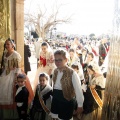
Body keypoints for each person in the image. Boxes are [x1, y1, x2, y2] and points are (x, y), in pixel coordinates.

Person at [0, 38, 34, 120]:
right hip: (5, 73)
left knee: (14, 92)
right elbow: (4, 65)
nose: (7, 45)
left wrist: (16, 78)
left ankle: (16, 114)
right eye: (6, 44)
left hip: (14, 74)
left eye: (8, 44)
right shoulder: (5, 53)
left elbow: (18, 68)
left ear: (13, 45)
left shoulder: (16, 54)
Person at [50, 49, 84, 120]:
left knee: (65, 118)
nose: (58, 62)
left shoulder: (72, 73)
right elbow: (54, 85)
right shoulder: (55, 71)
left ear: (66, 60)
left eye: (60, 60)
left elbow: (78, 90)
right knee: (56, 117)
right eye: (56, 60)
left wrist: (80, 105)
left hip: (67, 100)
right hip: (56, 98)